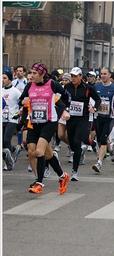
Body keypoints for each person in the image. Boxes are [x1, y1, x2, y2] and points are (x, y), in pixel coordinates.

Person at [18, 62, 71, 194]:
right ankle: (63, 176)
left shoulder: (52, 84)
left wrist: (64, 110)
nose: (32, 75)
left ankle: (39, 183)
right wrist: (23, 101)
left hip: (49, 122)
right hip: (34, 123)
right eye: (31, 73)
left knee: (38, 152)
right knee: (47, 154)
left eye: (35, 73)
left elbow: (67, 95)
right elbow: (21, 100)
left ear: (42, 74)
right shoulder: (29, 86)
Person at [64, 67, 101, 181]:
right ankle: (79, 153)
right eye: (72, 76)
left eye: (75, 76)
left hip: (83, 118)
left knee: (77, 141)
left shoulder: (88, 88)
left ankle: (75, 171)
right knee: (72, 144)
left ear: (81, 76)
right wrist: (63, 109)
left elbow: (98, 99)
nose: (73, 78)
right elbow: (62, 99)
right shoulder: (67, 87)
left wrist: (93, 108)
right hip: (70, 118)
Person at [91, 67, 114, 173]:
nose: (103, 76)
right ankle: (110, 148)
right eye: (101, 74)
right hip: (98, 116)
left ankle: (99, 163)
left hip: (109, 117)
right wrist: (92, 107)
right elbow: (92, 98)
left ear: (110, 75)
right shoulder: (96, 86)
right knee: (99, 139)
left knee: (102, 138)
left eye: (105, 74)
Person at [2, 71, 22, 170]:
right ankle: (10, 158)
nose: (2, 80)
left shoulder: (15, 91)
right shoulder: (1, 90)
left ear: (10, 79)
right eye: (2, 78)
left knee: (6, 140)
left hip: (11, 119)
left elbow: (23, 103)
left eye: (5, 78)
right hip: (2, 119)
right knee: (2, 144)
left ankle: (13, 151)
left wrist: (19, 113)